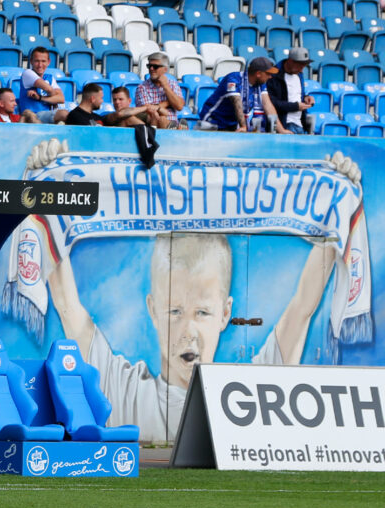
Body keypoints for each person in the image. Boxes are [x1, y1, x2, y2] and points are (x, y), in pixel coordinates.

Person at [28, 142, 361, 441]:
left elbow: (303, 306)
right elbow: (68, 306)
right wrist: (42, 187)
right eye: (174, 311)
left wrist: (339, 200)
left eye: (202, 312)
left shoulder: (252, 392)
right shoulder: (123, 388)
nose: (188, 330)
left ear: (225, 313)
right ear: (152, 309)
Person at [197, 57, 280, 132]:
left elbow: (268, 105)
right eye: (268, 74)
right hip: (212, 122)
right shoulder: (233, 79)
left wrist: (281, 130)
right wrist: (243, 126)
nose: (270, 77)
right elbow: (237, 103)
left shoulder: (260, 84)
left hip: (231, 125)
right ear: (258, 73)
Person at [265, 47, 314, 135]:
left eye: (303, 66)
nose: (301, 70)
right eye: (299, 66)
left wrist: (306, 98)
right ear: (290, 61)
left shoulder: (299, 74)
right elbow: (271, 103)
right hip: (284, 126)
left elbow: (297, 94)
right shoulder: (273, 75)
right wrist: (295, 106)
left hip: (300, 125)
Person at [18, 47, 68, 124]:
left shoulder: (50, 77)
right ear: (31, 61)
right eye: (37, 61)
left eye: (43, 61)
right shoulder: (27, 73)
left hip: (46, 115)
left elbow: (61, 99)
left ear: (48, 62)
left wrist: (40, 98)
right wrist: (53, 100)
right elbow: (49, 90)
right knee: (64, 114)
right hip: (32, 114)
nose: (40, 65)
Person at [133, 53, 183, 128]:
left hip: (172, 123)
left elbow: (179, 106)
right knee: (162, 119)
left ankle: (175, 128)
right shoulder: (142, 87)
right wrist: (169, 102)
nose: (151, 69)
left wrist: (165, 86)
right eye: (149, 66)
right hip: (153, 125)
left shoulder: (173, 84)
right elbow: (148, 109)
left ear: (165, 69)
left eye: (155, 67)